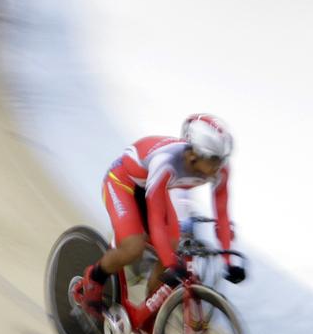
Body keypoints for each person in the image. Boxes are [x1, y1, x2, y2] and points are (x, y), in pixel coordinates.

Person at [74, 116, 245, 321]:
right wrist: (170, 263)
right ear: (194, 156)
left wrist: (229, 261)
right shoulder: (166, 162)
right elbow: (156, 219)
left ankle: (149, 318)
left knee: (174, 247)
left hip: (154, 189)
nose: (221, 166)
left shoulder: (219, 170)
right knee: (134, 247)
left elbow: (222, 216)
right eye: (215, 160)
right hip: (122, 183)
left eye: (223, 159)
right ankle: (93, 281)